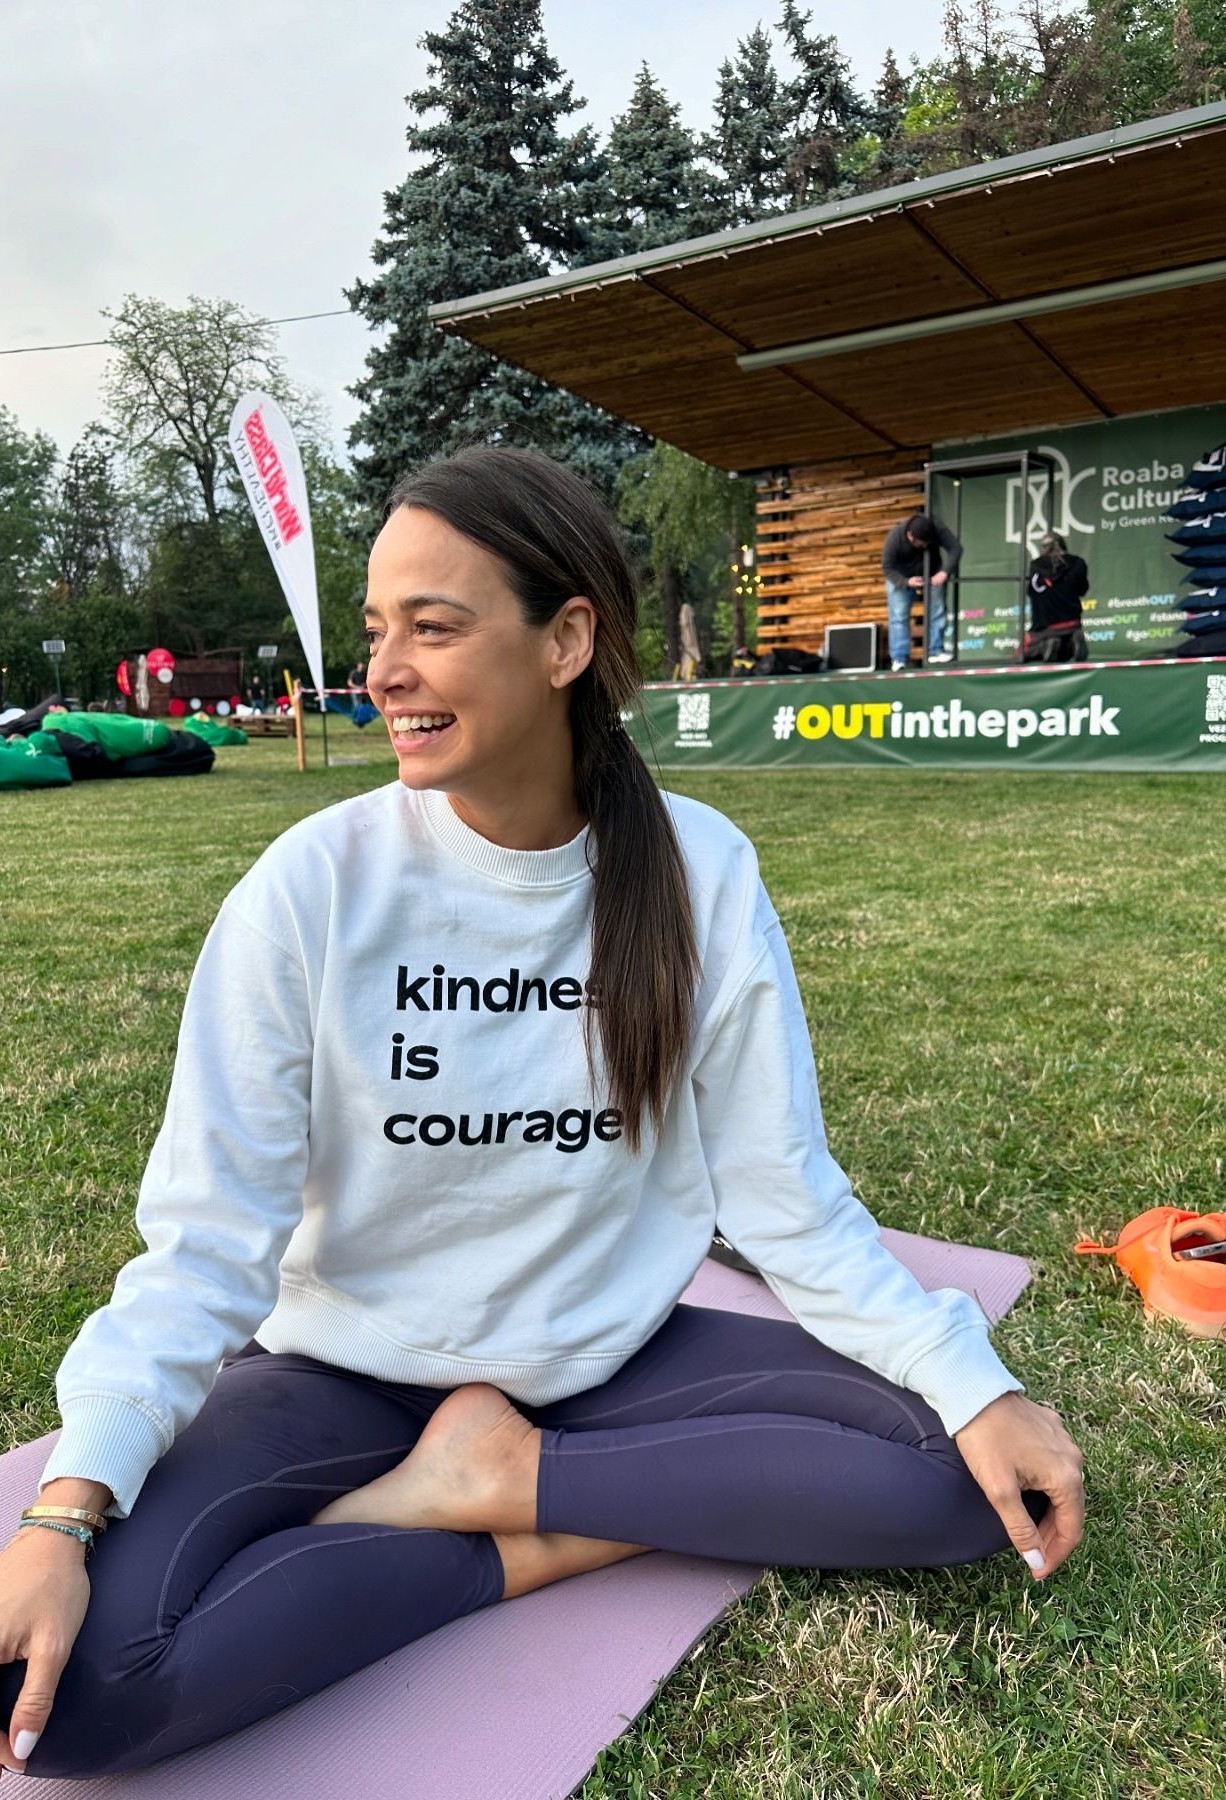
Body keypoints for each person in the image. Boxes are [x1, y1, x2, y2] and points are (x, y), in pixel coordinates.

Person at [0, 447, 1084, 1781]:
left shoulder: (697, 869)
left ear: (565, 640)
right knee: (65, 1696)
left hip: (604, 1365)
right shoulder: (311, 887)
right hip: (343, 1374)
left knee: (961, 1474)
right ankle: (510, 1531)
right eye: (377, 631)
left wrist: (978, 1384)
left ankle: (504, 1485)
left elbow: (786, 1204)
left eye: (432, 627)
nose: (383, 670)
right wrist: (62, 1518)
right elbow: (206, 1248)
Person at [882, 512, 962, 670]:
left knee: (938, 611)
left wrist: (944, 572)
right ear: (910, 535)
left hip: (932, 573)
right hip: (902, 576)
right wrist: (906, 582)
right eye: (921, 543)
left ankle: (936, 651)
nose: (925, 546)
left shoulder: (935, 527)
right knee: (899, 616)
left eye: (928, 543)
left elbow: (956, 549)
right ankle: (899, 659)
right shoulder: (894, 538)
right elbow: (887, 567)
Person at [1022, 533, 1089, 662]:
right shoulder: (1078, 563)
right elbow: (1082, 590)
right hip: (1073, 623)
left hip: (1044, 626)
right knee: (1062, 651)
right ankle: (1072, 644)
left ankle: (1044, 646)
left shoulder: (1035, 566)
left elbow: (1030, 592)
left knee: (1024, 651)